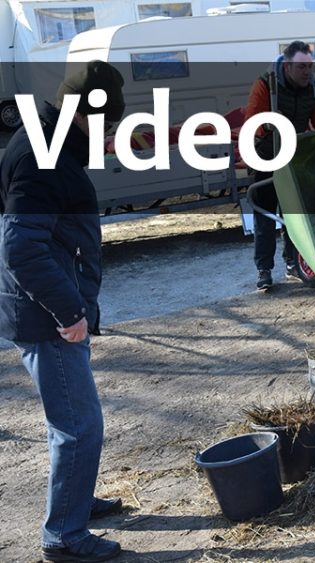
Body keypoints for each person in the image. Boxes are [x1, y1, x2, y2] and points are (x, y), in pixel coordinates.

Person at [0, 60, 125, 562]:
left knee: (72, 417)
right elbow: (21, 247)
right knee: (80, 425)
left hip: (44, 306)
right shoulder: (43, 156)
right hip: (47, 316)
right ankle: (64, 537)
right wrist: (70, 310)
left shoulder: (43, 140)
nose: (110, 133)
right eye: (108, 123)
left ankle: (76, 500)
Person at [244, 40, 315, 290]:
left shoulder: (313, 90)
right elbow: (252, 122)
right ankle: (264, 269)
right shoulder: (264, 85)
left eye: (310, 67)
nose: (307, 72)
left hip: (294, 155)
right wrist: (268, 124)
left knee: (295, 214)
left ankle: (293, 262)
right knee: (264, 214)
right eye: (302, 67)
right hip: (266, 156)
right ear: (288, 66)